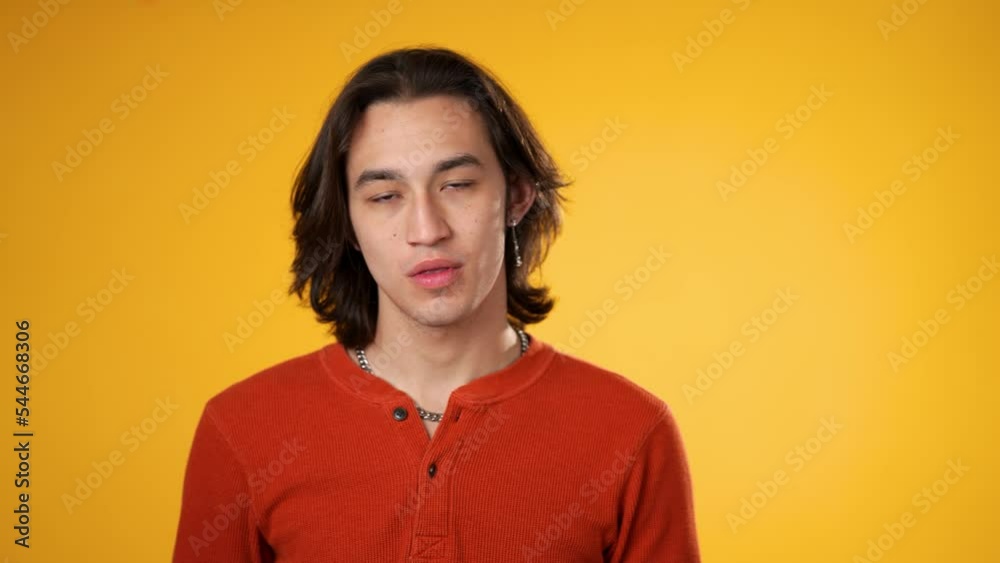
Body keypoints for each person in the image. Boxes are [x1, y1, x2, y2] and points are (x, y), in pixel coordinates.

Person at [171, 45, 701, 562]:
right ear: (348, 222)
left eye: (457, 185)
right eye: (385, 196)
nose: (426, 229)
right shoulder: (242, 427)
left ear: (517, 196)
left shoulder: (631, 430)